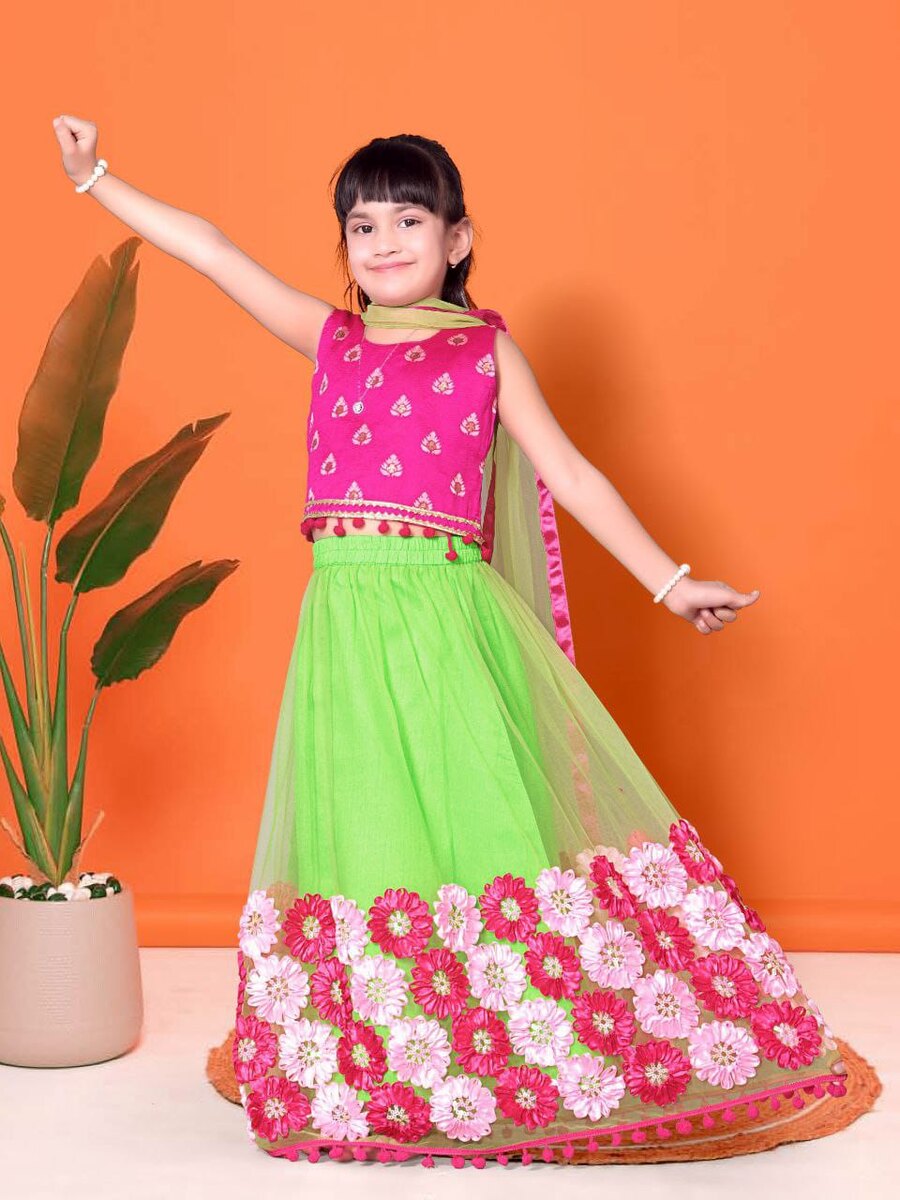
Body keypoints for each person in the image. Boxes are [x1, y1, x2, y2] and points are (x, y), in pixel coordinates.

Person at [52, 119, 848, 1167]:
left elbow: (572, 474)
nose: (383, 242)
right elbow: (212, 250)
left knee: (475, 818)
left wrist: (670, 583)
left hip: (446, 621)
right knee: (366, 820)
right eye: (362, 226)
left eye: (409, 221)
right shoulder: (330, 338)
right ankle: (390, 1048)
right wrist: (97, 178)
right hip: (344, 629)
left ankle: (522, 1044)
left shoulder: (484, 351)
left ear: (457, 238)